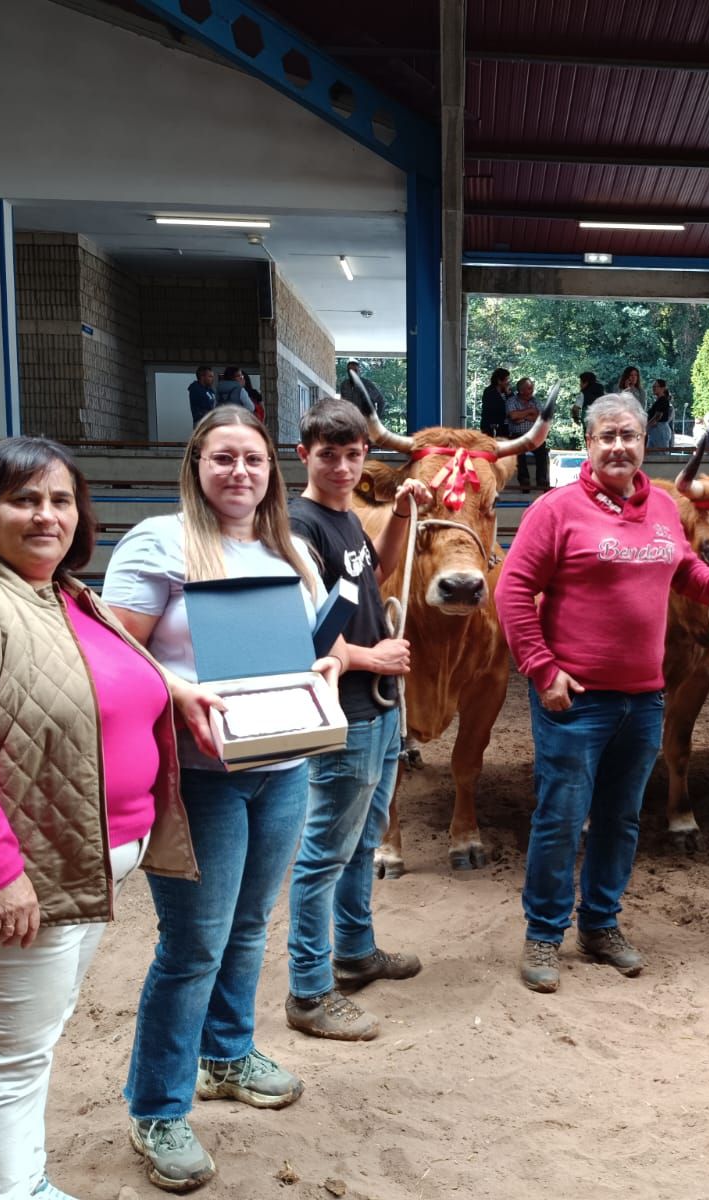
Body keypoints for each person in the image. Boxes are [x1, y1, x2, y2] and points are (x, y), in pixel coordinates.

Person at [0, 437, 202, 1200]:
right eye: (24, 499)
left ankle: (22, 1183)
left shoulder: (66, 595)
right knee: (11, 1060)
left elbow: (117, 678)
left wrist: (180, 694)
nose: (46, 515)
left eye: (61, 500)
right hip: (21, 876)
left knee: (33, 1043)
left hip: (81, 861)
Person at [105, 406, 340, 1192]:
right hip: (200, 774)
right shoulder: (160, 541)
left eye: (253, 460)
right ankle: (157, 1108)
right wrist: (178, 692)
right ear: (196, 466)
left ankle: (228, 1054)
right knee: (194, 944)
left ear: (272, 470)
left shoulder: (290, 547)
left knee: (247, 925)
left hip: (282, 765)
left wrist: (330, 667)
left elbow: (315, 647)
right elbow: (114, 651)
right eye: (223, 458)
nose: (240, 472)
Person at [495, 392, 709, 993]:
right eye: (607, 436)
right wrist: (541, 669)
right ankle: (544, 933)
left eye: (629, 436)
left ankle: (600, 924)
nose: (619, 446)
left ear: (645, 442)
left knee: (620, 818)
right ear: (589, 444)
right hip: (575, 699)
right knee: (561, 818)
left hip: (643, 698)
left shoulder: (662, 507)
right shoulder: (555, 509)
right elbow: (512, 590)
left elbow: (683, 568)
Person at [285, 399, 432, 1040]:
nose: (342, 468)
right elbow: (300, 629)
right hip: (343, 713)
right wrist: (374, 657)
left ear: (364, 456)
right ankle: (309, 991)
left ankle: (354, 951)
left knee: (362, 841)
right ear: (304, 455)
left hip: (376, 709)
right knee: (323, 853)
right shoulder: (299, 527)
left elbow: (380, 569)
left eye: (352, 456)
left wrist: (399, 513)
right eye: (328, 456)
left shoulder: (343, 519)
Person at [506, 376, 549, 491]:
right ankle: (524, 481)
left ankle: (541, 480)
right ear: (521, 390)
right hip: (518, 435)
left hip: (534, 435)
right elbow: (513, 416)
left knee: (542, 451)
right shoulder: (512, 401)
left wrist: (522, 417)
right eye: (529, 388)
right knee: (519, 453)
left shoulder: (535, 401)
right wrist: (530, 412)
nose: (532, 391)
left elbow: (541, 418)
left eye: (532, 388)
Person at [479, 368, 511, 438]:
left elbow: (513, 404)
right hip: (491, 427)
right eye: (506, 379)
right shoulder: (489, 392)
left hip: (505, 427)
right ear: (499, 381)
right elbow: (494, 408)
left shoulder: (508, 391)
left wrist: (509, 394)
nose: (508, 382)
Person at [645, 378, 675, 450]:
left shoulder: (663, 400)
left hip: (660, 430)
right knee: (650, 452)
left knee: (660, 453)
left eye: (656, 386)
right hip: (654, 431)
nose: (654, 388)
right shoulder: (658, 401)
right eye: (653, 387)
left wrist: (647, 426)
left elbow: (657, 416)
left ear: (663, 388)